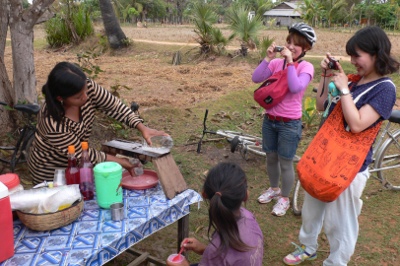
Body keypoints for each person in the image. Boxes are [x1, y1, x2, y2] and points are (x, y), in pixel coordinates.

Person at [283, 26, 399, 265]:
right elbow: (321, 105)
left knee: (341, 221)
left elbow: (357, 124)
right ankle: (308, 246)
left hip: (350, 168)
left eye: (357, 55)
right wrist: (326, 76)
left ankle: (337, 261)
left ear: (376, 54)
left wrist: (345, 88)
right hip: (326, 157)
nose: (352, 61)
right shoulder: (357, 81)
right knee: (312, 206)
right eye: (351, 55)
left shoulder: (385, 89)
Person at [28, 62, 168, 184]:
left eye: (86, 91)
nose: (86, 97)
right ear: (60, 98)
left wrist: (141, 127)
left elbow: (115, 106)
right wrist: (124, 163)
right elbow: (84, 154)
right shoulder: (52, 122)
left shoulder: (85, 86)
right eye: (78, 97)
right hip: (52, 173)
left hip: (80, 165)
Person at [252, 22, 316, 216]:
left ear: (306, 48)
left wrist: (290, 64)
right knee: (271, 157)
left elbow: (296, 87)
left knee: (285, 162)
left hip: (290, 124)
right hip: (270, 120)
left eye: (296, 44)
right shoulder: (276, 63)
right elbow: (256, 78)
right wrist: (267, 58)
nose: (290, 46)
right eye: (289, 41)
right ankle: (274, 189)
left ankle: (285, 198)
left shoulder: (306, 66)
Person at [166, 162, 263, 266]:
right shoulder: (249, 217)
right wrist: (205, 249)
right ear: (246, 195)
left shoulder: (219, 251)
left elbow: (224, 257)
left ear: (204, 194)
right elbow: (231, 258)